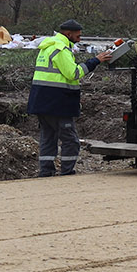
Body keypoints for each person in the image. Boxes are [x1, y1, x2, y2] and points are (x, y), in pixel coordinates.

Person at [28, 19, 104, 176]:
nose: (79, 38)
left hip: (42, 102)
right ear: (68, 34)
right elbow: (73, 73)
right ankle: (67, 172)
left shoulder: (48, 47)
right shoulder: (61, 50)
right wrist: (95, 61)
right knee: (71, 141)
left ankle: (46, 172)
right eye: (78, 35)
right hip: (58, 103)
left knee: (48, 139)